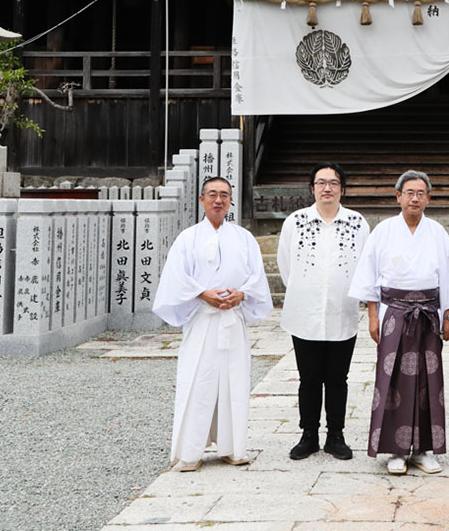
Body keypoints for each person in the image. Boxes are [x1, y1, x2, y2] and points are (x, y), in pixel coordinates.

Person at [348, 170, 449, 476]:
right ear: (398, 195)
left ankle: (425, 449)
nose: (415, 198)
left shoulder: (437, 232)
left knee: (430, 381)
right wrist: (373, 316)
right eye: (409, 192)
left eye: (421, 193)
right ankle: (395, 450)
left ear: (429, 197)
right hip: (394, 313)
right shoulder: (384, 231)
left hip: (429, 313)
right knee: (392, 382)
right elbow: (369, 277)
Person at [153, 175, 273, 472]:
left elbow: (256, 277)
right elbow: (176, 277)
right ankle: (191, 452)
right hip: (202, 319)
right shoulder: (188, 238)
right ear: (201, 200)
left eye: (224, 195)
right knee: (198, 381)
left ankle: (233, 448)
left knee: (235, 382)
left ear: (231, 200)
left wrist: (241, 294)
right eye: (212, 194)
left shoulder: (244, 238)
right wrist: (201, 293)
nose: (218, 200)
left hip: (232, 319)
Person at [277, 162, 369, 461]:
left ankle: (336, 435)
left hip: (342, 312)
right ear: (312, 188)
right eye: (320, 182)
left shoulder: (357, 223)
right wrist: (307, 292)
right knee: (309, 377)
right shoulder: (296, 221)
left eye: (333, 183)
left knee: (338, 378)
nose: (327, 188)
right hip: (305, 313)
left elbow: (365, 267)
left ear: (342, 189)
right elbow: (285, 265)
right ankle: (308, 435)